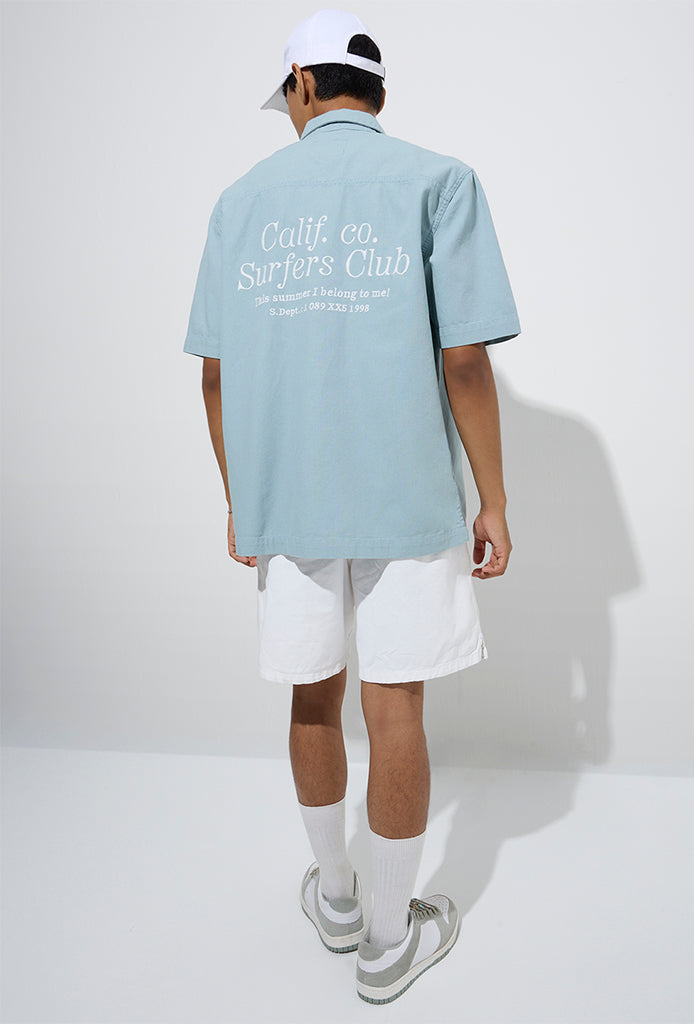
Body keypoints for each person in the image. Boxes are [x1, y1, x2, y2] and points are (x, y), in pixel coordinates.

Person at [183, 7, 521, 1005]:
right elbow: (465, 359)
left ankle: (334, 898)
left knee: (311, 695)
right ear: (376, 91)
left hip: (288, 496)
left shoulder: (241, 202)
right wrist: (493, 498)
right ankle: (385, 940)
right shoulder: (438, 181)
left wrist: (243, 498)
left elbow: (214, 375)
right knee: (396, 702)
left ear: (301, 85)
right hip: (406, 495)